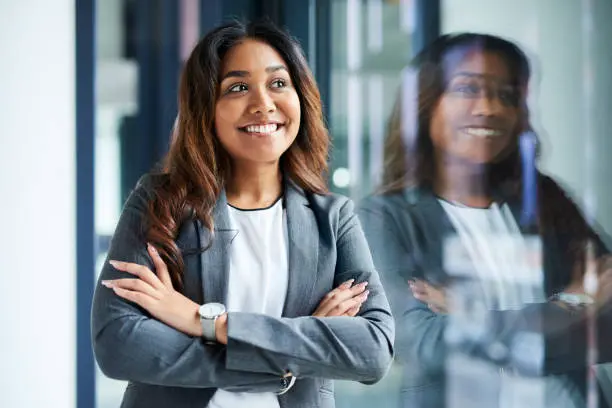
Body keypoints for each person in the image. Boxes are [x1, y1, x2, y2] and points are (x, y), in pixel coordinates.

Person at [91, 20, 394, 408]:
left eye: (278, 83)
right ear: (207, 109)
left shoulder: (334, 219)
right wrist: (290, 360)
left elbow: (373, 351)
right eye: (237, 87)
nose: (263, 103)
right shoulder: (158, 201)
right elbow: (119, 345)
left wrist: (204, 321)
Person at [358, 33, 612, 408]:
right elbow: (425, 344)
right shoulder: (384, 217)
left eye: (507, 95)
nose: (490, 108)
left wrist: (469, 315)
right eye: (467, 89)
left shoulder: (547, 201)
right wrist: (571, 305)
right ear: (426, 104)